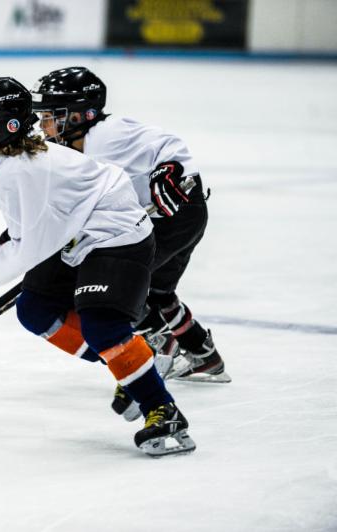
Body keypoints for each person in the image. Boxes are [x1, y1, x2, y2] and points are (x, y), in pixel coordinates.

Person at [0, 76, 195, 457]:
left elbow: (30, 248)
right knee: (35, 309)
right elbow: (31, 231)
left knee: (102, 326)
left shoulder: (20, 170)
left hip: (117, 238)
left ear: (3, 129)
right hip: (79, 237)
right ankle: (134, 363)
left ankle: (163, 413)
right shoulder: (10, 162)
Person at [30, 67, 231, 405]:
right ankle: (203, 355)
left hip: (173, 216)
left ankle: (156, 345)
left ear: (82, 114)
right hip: (180, 215)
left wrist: (169, 168)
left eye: (51, 116)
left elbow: (169, 143)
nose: (43, 125)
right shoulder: (75, 148)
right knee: (158, 291)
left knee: (116, 285)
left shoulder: (108, 134)